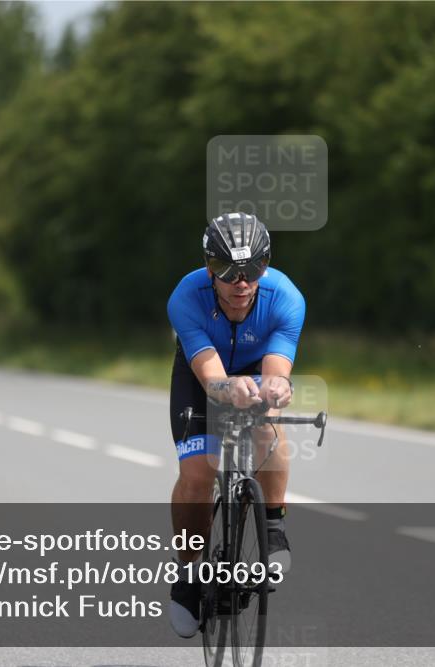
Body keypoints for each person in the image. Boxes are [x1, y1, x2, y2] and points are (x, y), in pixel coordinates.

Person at [166, 212, 305, 638]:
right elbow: (210, 378)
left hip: (255, 369)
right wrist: (229, 389)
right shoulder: (186, 298)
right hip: (202, 374)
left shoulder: (286, 297)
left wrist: (277, 389)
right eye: (228, 271)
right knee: (198, 472)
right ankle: (189, 570)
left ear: (267, 265)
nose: (241, 282)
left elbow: (277, 369)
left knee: (267, 418)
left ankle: (274, 528)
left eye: (253, 269)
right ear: (209, 268)